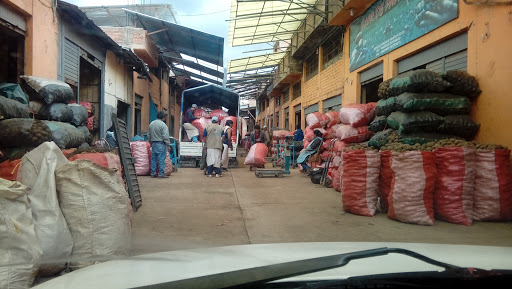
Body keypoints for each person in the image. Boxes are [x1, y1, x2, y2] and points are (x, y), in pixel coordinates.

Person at [148, 111, 170, 178]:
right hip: (161, 143)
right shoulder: (163, 125)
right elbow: (165, 136)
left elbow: (148, 135)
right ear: (163, 118)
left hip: (153, 143)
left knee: (153, 159)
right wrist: (168, 144)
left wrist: (150, 142)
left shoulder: (151, 124)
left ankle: (153, 173)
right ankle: (161, 174)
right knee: (161, 159)